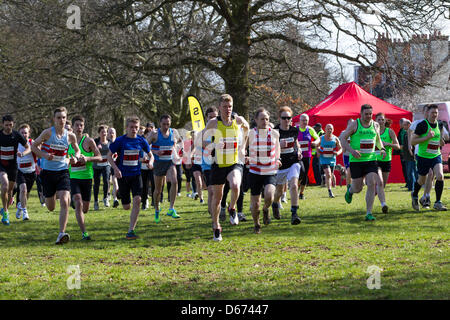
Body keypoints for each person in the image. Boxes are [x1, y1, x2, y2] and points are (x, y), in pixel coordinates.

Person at [203, 94, 249, 241]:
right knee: (217, 198)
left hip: (234, 162)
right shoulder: (213, 123)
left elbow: (247, 128)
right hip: (218, 164)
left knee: (236, 185)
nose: (228, 109)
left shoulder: (238, 120)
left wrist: (243, 147)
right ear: (219, 108)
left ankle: (232, 208)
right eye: (225, 107)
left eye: (230, 106)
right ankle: (216, 226)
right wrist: (213, 145)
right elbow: (202, 141)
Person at [31, 107, 80, 244]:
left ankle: (61, 233)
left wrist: (75, 158)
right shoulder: (47, 133)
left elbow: (77, 150)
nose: (61, 120)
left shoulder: (70, 136)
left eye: (63, 117)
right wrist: (44, 155)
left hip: (63, 171)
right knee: (51, 207)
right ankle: (47, 195)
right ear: (54, 119)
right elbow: (34, 146)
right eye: (58, 117)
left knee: (65, 201)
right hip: (47, 173)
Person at [340, 104, 387, 221]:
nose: (368, 116)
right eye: (366, 114)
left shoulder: (375, 125)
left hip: (371, 159)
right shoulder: (355, 124)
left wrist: (382, 148)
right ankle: (350, 190)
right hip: (356, 160)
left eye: (370, 114)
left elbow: (378, 139)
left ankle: (369, 213)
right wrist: (352, 150)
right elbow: (343, 139)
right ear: (361, 114)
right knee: (358, 188)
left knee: (371, 183)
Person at [107, 116, 152, 239]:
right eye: (131, 127)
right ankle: (119, 192)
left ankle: (131, 231)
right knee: (126, 206)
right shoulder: (120, 141)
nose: (134, 129)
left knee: (137, 200)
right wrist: (116, 169)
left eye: (136, 127)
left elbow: (150, 154)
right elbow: (109, 156)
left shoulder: (141, 140)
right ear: (126, 127)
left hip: (136, 175)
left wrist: (151, 161)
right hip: (123, 176)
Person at [68, 115, 102, 240]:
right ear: (72, 127)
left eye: (81, 125)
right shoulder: (67, 142)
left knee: (85, 208)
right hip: (73, 177)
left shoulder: (89, 141)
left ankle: (77, 204)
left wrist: (87, 158)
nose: (79, 127)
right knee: (78, 201)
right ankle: (84, 233)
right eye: (76, 125)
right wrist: (69, 161)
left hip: (87, 177)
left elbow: (99, 157)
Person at [247, 108, 281, 233]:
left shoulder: (274, 133)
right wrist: (245, 156)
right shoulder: (250, 133)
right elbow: (242, 148)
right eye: (262, 119)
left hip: (270, 170)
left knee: (269, 195)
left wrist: (278, 159)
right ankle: (257, 224)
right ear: (256, 120)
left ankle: (266, 209)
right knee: (255, 204)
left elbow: (277, 149)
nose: (265, 121)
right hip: (255, 171)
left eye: (267, 119)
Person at [410, 104, 447, 211]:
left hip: (435, 155)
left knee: (440, 175)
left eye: (436, 113)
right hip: (423, 157)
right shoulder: (422, 125)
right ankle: (415, 194)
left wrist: (441, 141)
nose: (434, 115)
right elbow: (413, 141)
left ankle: (438, 202)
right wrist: (427, 137)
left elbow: (439, 137)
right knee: (421, 180)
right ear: (428, 114)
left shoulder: (439, 124)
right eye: (432, 113)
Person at [148, 114, 183, 223]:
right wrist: (155, 152)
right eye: (164, 124)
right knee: (158, 190)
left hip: (170, 162)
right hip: (158, 163)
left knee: (174, 181)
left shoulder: (174, 132)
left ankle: (171, 208)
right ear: (160, 123)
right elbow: (145, 146)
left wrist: (176, 148)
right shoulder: (154, 134)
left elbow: (180, 141)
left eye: (168, 124)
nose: (166, 126)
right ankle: (157, 209)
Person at [272, 106, 302, 225]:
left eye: (288, 118)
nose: (286, 120)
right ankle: (275, 203)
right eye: (284, 118)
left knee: (294, 185)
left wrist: (299, 151)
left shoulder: (294, 130)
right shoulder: (274, 131)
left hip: (293, 162)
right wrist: (279, 144)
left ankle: (294, 213)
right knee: (279, 191)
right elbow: (268, 148)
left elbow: (296, 142)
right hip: (280, 165)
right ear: (279, 118)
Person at [0, 115, 30, 226]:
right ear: (2, 124)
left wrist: (22, 153)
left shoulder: (16, 135)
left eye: (10, 125)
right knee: (4, 184)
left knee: (10, 191)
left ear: (13, 124)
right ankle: (6, 213)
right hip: (1, 165)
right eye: (6, 125)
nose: (8, 127)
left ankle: (4, 210)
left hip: (12, 166)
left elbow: (28, 147)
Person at [374, 113, 400, 212]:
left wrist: (388, 144)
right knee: (379, 182)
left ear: (385, 121)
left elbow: (398, 146)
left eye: (382, 119)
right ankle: (383, 204)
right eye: (379, 119)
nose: (381, 121)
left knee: (382, 185)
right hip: (375, 160)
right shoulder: (372, 132)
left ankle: (370, 196)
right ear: (375, 121)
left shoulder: (390, 132)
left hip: (387, 161)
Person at [15, 124, 37, 221]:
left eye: (26, 133)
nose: (24, 134)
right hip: (19, 171)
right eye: (22, 133)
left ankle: (20, 205)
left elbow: (37, 152)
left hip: (31, 171)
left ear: (29, 134)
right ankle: (25, 212)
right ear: (19, 134)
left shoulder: (32, 143)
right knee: (23, 189)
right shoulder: (15, 144)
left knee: (26, 193)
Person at [200, 107, 218, 217]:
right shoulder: (204, 132)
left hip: (220, 163)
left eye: (215, 117)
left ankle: (215, 208)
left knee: (218, 190)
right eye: (210, 117)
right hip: (207, 164)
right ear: (206, 118)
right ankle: (212, 214)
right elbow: (205, 146)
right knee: (211, 190)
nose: (212, 119)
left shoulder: (222, 130)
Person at [296, 114, 320, 199]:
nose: (305, 122)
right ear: (299, 120)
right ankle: (295, 188)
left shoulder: (310, 129)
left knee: (305, 174)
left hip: (307, 155)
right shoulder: (295, 129)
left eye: (306, 120)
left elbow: (318, 138)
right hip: (297, 156)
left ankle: (301, 193)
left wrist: (315, 143)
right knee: (300, 173)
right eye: (303, 120)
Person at [317, 124, 342, 198]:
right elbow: (317, 145)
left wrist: (337, 153)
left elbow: (341, 148)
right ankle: (330, 191)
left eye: (331, 129)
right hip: (323, 159)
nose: (329, 130)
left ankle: (330, 187)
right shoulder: (321, 138)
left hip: (332, 159)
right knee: (328, 174)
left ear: (333, 130)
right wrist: (318, 152)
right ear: (325, 129)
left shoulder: (335, 138)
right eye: (328, 129)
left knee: (330, 174)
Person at [93, 124, 111, 210]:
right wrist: (96, 148)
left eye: (105, 132)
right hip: (96, 165)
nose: (104, 133)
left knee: (106, 180)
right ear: (99, 133)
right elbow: (90, 151)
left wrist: (114, 155)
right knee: (96, 184)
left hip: (106, 164)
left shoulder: (110, 142)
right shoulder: (95, 141)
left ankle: (105, 198)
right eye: (102, 132)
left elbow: (114, 152)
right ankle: (96, 201)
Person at [402, 120, 417, 191]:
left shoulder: (412, 133)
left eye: (405, 125)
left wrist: (412, 153)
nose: (403, 126)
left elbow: (413, 145)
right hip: (406, 156)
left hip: (411, 156)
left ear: (409, 125)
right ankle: (411, 186)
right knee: (409, 173)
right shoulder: (406, 133)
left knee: (411, 172)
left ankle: (412, 187)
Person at [107, 127, 120, 208]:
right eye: (110, 132)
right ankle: (111, 197)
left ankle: (115, 199)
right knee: (109, 182)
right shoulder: (106, 143)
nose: (111, 134)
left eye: (113, 132)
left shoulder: (119, 142)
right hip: (108, 165)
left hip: (117, 165)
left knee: (116, 183)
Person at [340, 119, 354, 186]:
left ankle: (354, 185)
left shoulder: (356, 133)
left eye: (352, 124)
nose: (351, 125)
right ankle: (348, 186)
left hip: (355, 155)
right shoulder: (343, 133)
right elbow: (339, 142)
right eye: (350, 124)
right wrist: (343, 147)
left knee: (354, 172)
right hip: (347, 155)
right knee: (348, 170)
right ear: (347, 125)